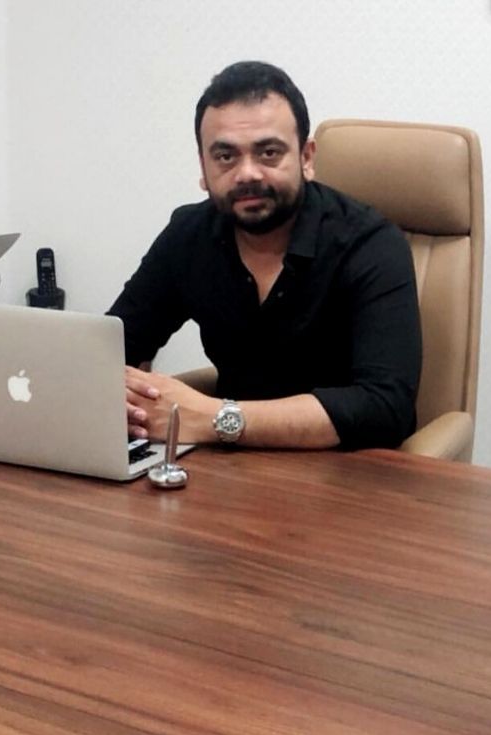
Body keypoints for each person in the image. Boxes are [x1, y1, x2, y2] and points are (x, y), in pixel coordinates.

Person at [107, 61, 421, 450]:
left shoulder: (371, 243)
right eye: (225, 156)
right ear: (203, 167)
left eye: (269, 152)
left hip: (349, 469)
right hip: (228, 468)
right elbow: (111, 349)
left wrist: (213, 417)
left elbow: (384, 408)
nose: (247, 174)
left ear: (307, 157)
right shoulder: (188, 235)